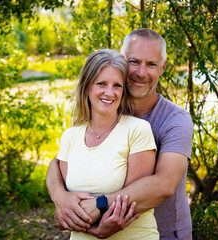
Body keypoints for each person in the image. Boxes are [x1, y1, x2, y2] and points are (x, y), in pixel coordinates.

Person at [46, 28, 194, 240]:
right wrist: (60, 198)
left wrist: (100, 205)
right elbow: (58, 162)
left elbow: (164, 185)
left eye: (151, 64)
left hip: (166, 234)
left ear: (163, 67)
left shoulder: (174, 120)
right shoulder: (103, 109)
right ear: (122, 62)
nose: (141, 73)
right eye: (134, 62)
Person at [55, 48, 159, 239]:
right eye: (101, 83)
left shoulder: (137, 130)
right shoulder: (70, 136)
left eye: (117, 86)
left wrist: (86, 219)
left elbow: (132, 201)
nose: (109, 92)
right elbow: (66, 210)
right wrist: (63, 208)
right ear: (87, 87)